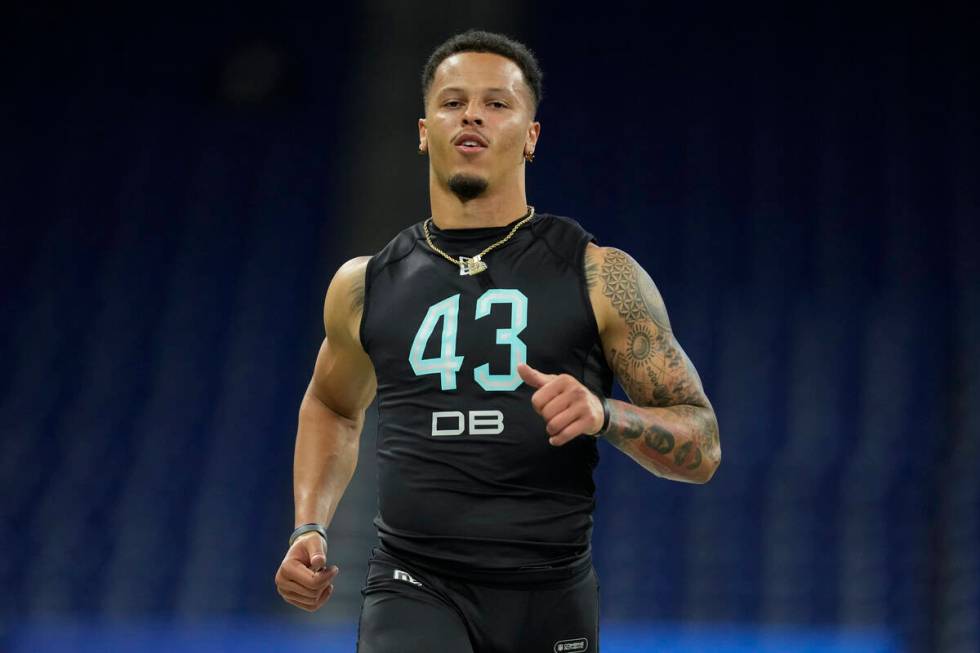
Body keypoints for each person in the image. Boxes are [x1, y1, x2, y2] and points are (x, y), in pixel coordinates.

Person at [274, 29, 720, 652]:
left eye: (497, 102)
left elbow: (702, 444)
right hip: (414, 581)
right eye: (453, 102)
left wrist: (604, 413)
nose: (472, 114)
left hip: (550, 592)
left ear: (531, 137)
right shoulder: (364, 284)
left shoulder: (600, 275)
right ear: (425, 130)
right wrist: (308, 526)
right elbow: (332, 405)